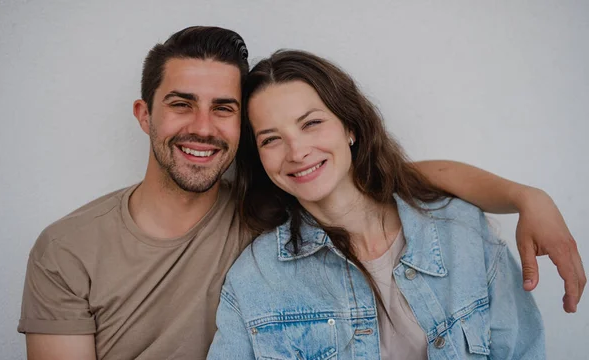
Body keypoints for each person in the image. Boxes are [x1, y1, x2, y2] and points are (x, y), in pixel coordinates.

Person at [17, 27, 581, 360]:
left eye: (224, 109)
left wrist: (527, 195)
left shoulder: (453, 228)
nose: (203, 128)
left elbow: (403, 175)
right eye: (181, 103)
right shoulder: (71, 249)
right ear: (144, 114)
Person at [207, 50, 546, 359]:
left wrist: (529, 197)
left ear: (350, 127)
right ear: (259, 159)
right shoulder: (254, 279)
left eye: (311, 123)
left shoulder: (463, 231)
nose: (297, 152)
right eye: (271, 139)